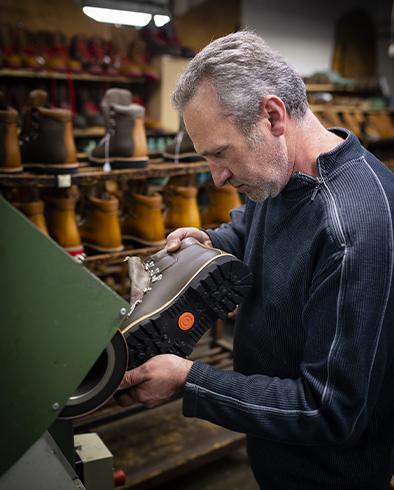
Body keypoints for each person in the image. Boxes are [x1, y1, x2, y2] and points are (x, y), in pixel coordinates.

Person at [116, 31, 394, 490]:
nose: (218, 176)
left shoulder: (351, 230)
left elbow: (328, 409)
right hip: (275, 451)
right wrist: (212, 237)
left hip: (326, 476)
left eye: (221, 153)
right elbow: (256, 225)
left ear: (272, 115)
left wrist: (189, 380)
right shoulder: (282, 173)